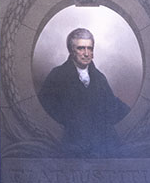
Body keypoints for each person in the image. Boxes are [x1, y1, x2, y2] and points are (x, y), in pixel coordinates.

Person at [38, 27, 130, 156]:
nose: (86, 53)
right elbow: (46, 112)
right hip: (68, 144)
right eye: (81, 48)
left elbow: (112, 106)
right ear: (71, 51)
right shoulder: (57, 76)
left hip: (99, 146)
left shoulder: (100, 78)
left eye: (90, 48)